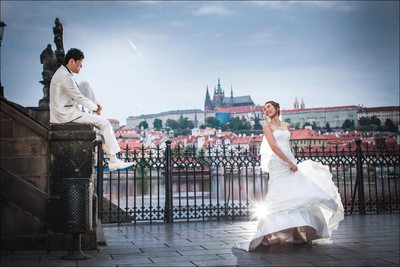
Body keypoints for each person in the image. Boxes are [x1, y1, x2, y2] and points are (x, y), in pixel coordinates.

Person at [234, 100, 344, 251]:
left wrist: (292, 161)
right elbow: (273, 146)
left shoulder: (286, 126)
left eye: (269, 107)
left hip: (290, 161)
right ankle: (265, 234)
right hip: (278, 164)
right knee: (278, 195)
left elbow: (288, 145)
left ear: (276, 108)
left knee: (295, 195)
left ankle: (296, 232)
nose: (266, 110)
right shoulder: (267, 126)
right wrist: (287, 162)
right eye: (264, 109)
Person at [49, 48, 133, 171]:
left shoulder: (62, 72)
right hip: (65, 114)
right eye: (79, 64)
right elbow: (78, 97)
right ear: (72, 61)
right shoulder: (65, 76)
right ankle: (113, 160)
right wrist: (94, 107)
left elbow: (78, 93)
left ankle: (96, 112)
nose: (80, 67)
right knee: (105, 124)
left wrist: (96, 105)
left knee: (85, 84)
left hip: (63, 109)